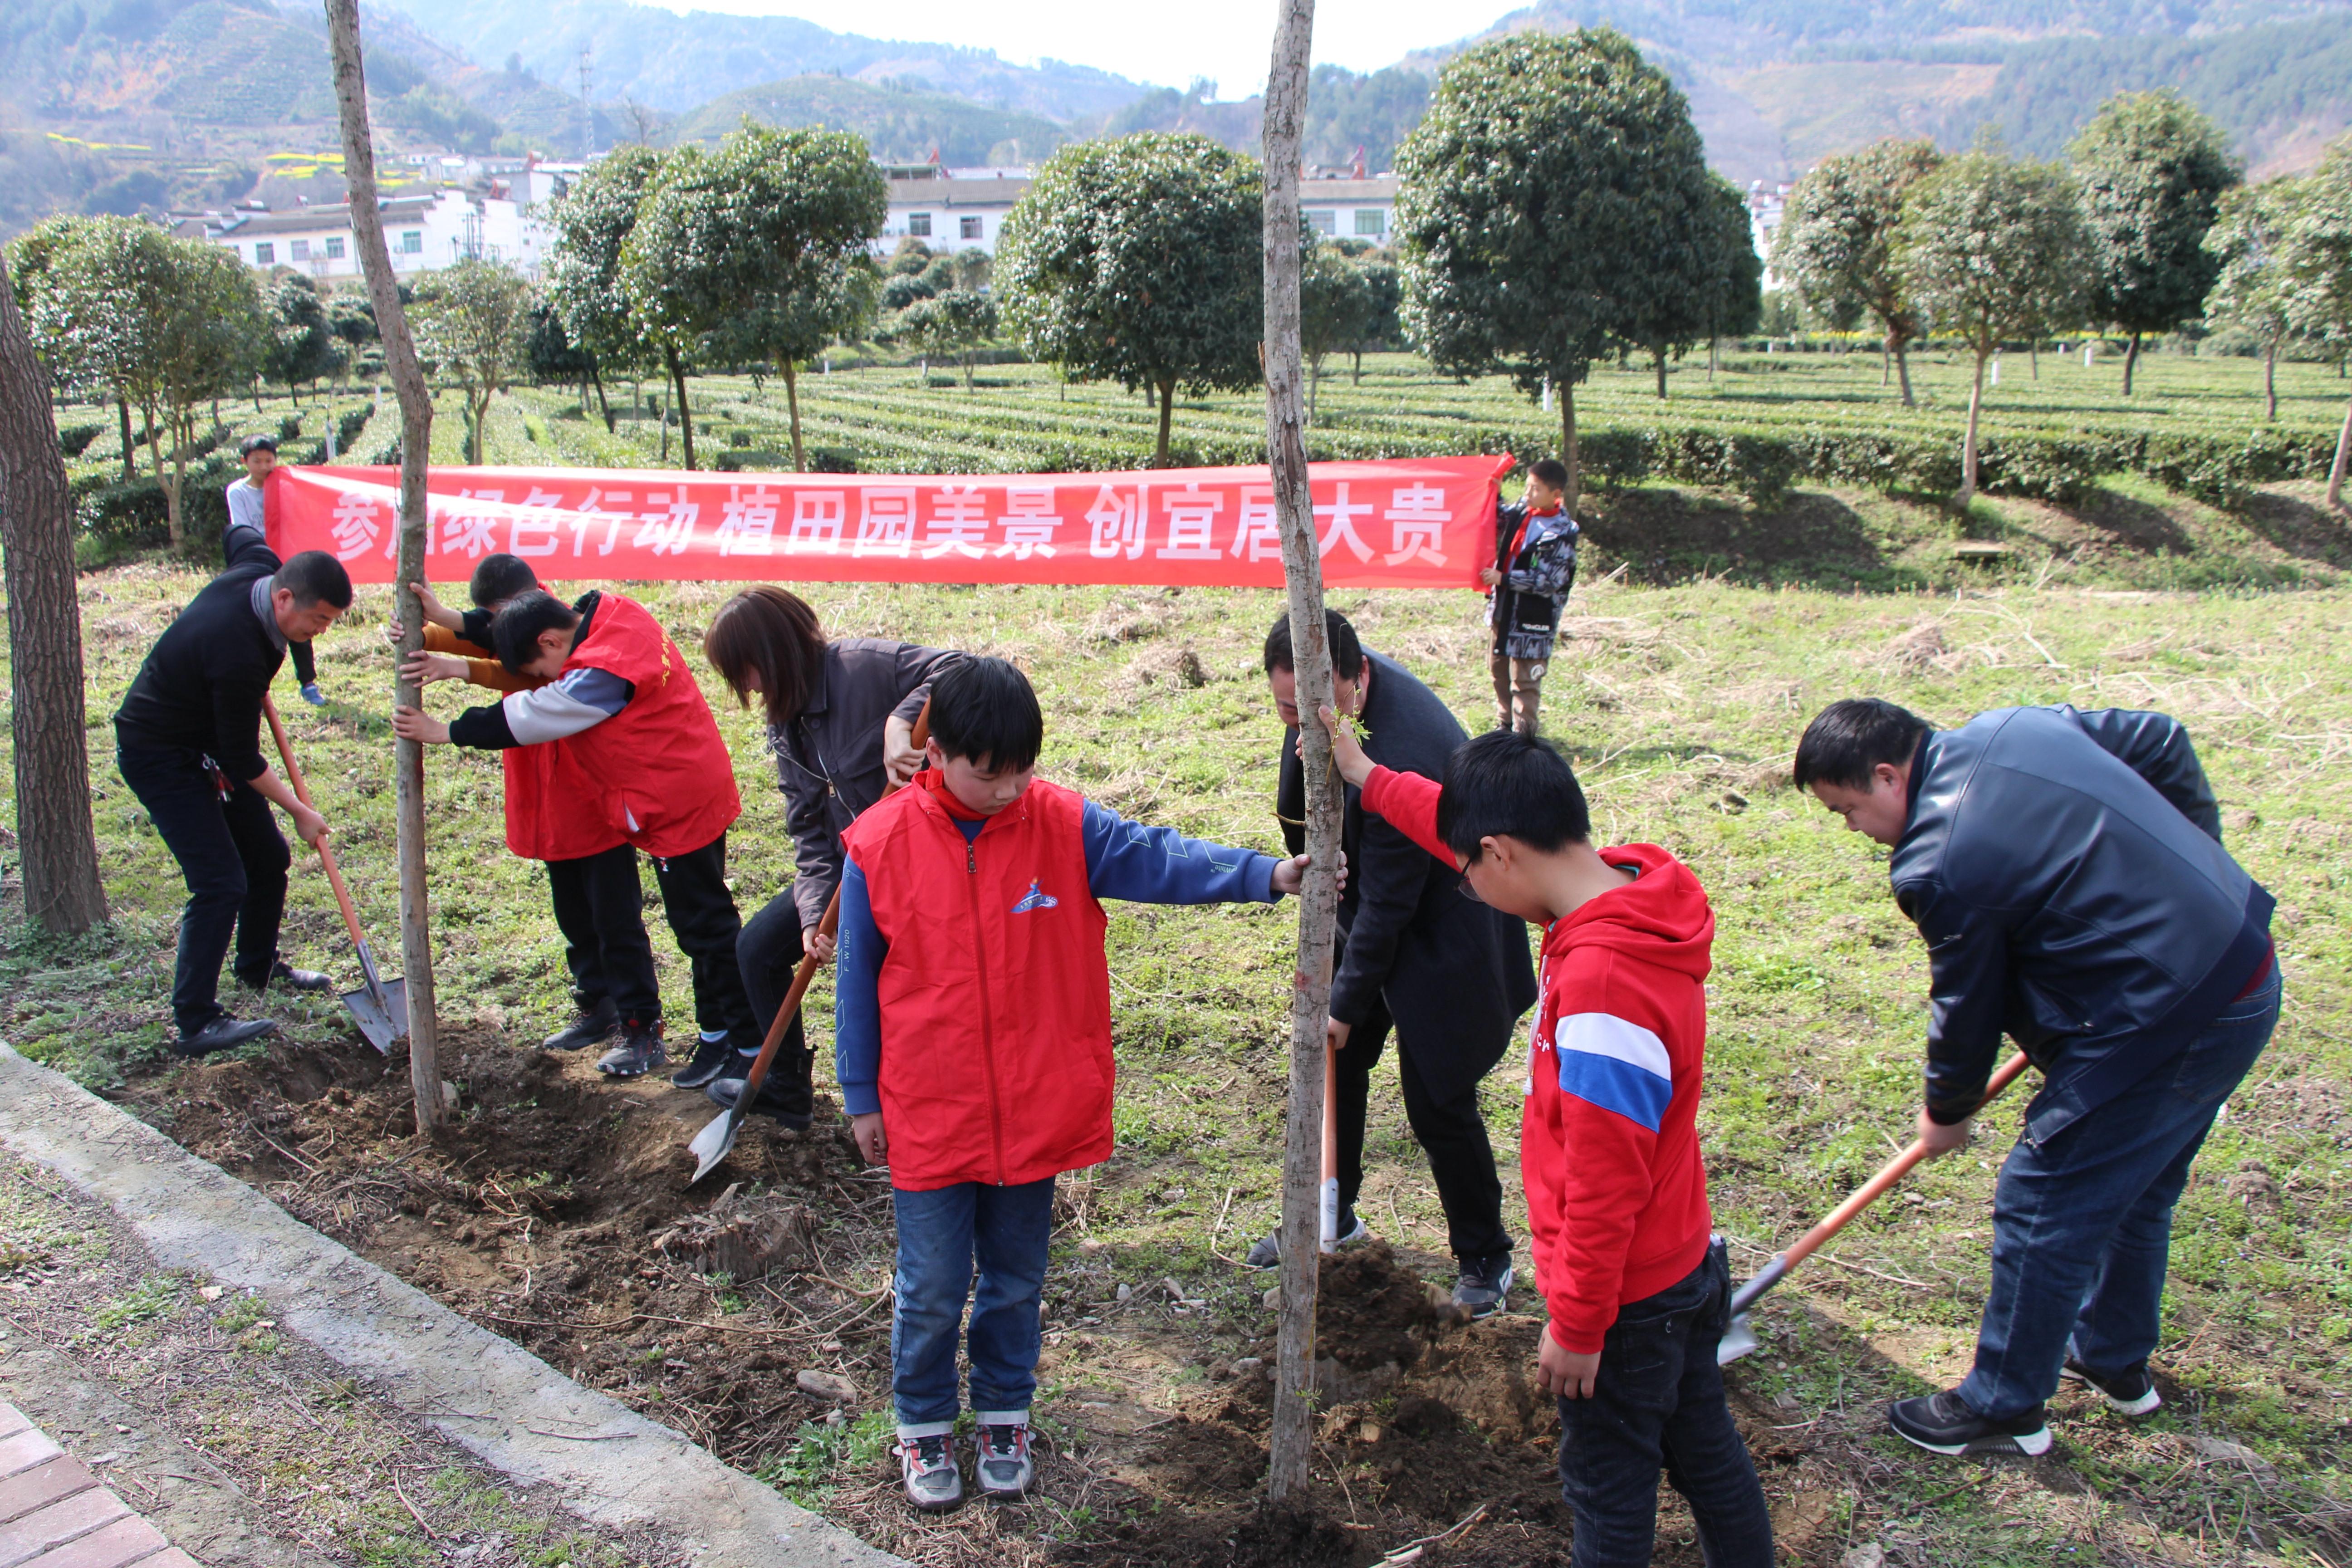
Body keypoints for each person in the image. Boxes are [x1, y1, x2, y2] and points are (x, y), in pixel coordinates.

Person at [837, 657, 1333, 1513]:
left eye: (1021, 769)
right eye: (987, 772)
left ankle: (1002, 1411)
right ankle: (920, 1423)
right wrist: (859, 1094)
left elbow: (1158, 858)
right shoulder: (878, 846)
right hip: (927, 1107)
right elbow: (855, 983)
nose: (1006, 790)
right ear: (937, 751)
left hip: (1031, 1108)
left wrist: (1266, 874)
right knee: (928, 1287)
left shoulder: (1059, 824)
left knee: (1016, 1279)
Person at [1322, 713, 1773, 1568]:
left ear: (1499, 854)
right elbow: (1453, 821)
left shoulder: (1604, 987)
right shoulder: (1633, 896)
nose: (1472, 891)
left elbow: (1604, 1180)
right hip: (1680, 1266)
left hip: (1624, 1304)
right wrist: (1366, 775)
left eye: (1467, 875)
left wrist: (1577, 1321)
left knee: (1605, 1491)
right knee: (1706, 1451)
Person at [1795, 699, 2279, 1459]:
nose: (1852, 830)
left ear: (1887, 775)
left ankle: (2002, 1405)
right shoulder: (2014, 727)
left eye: (1847, 809)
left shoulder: (1938, 861)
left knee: (2041, 1195)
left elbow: (1966, 1005)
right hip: (2240, 969)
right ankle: (2111, 1357)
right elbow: (2162, 736)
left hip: (2170, 1016)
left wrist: (1945, 1109)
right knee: (2134, 1185)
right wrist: (2201, 874)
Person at [1255, 609, 1536, 1316]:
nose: (1292, 718)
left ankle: (1485, 1257)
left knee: (1437, 1099)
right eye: (1282, 706)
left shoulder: (1404, 749)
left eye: (1301, 709)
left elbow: (1388, 907)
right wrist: (1303, 759)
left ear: (1356, 676)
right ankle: (1333, 1215)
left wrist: (1345, 1007)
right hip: (1379, 917)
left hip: (1450, 931)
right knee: (1339, 1068)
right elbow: (1304, 823)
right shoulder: (1327, 692)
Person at [391, 588, 758, 1080]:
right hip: (683, 784)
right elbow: (533, 617)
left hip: (677, 803)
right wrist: (452, 621)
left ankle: (750, 1049)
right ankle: (717, 1040)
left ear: (549, 642)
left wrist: (449, 731)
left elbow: (536, 714)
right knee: (696, 929)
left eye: (541, 672)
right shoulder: (609, 612)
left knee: (707, 930)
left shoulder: (601, 674)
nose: (545, 681)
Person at [700, 586, 962, 1121]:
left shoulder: (864, 668)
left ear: (769, 656)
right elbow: (808, 830)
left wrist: (900, 721)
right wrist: (813, 913)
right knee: (757, 950)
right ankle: (786, 1087)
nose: (744, 688)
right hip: (856, 868)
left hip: (924, 860)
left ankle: (911, 1106)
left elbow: (964, 670)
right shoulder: (784, 725)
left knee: (888, 986)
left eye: (743, 672)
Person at [113, 535, 350, 1054]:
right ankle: (196, 1021)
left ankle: (257, 967)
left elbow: (242, 539)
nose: (319, 633)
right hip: (159, 752)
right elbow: (243, 761)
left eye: (329, 624)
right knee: (220, 882)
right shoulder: (237, 651)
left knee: (268, 856)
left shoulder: (260, 569)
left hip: (206, 742)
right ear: (284, 600)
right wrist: (301, 811)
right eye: (318, 621)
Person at [223, 434, 324, 707]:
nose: (264, 466)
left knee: (299, 618)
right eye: (257, 460)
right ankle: (258, 684)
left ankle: (308, 682)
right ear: (245, 461)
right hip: (257, 566)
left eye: (269, 460)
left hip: (288, 564)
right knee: (260, 623)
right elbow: (243, 529)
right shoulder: (238, 492)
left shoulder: (285, 486)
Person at [1482, 457, 1578, 737]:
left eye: (1535, 489)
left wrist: (1505, 579)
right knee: (1498, 670)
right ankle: (1504, 727)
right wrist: (1495, 491)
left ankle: (1525, 738)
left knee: (1524, 681)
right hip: (1505, 609)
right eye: (1527, 487)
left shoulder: (1561, 533)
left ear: (1555, 495)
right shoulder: (1524, 513)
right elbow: (1499, 517)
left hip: (1532, 619)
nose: (1528, 494)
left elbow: (1549, 581)